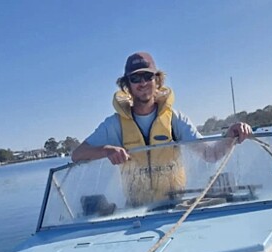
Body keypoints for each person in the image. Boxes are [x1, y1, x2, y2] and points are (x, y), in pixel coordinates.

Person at [72, 52, 252, 205]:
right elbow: (77, 155)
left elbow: (210, 155)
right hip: (136, 211)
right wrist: (106, 150)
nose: (142, 83)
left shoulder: (176, 119)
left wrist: (230, 136)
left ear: (157, 80)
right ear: (127, 85)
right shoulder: (114, 124)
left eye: (148, 76)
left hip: (175, 206)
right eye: (135, 78)